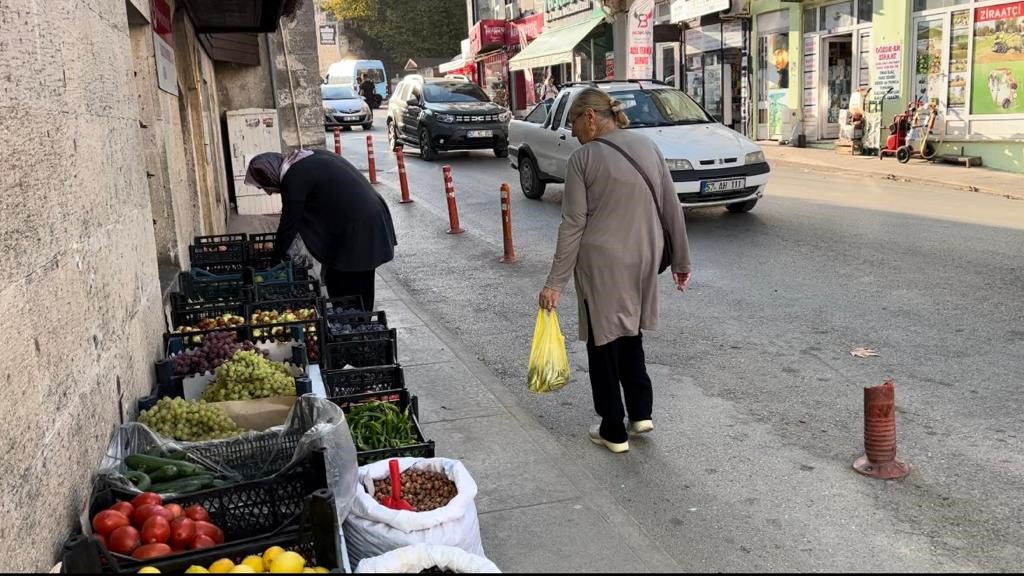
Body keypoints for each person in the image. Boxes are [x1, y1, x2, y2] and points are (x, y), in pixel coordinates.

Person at [537, 88, 692, 454]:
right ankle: (640, 413)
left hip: (603, 264)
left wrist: (554, 283)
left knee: (603, 342)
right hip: (644, 257)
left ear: (590, 117)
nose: (572, 130)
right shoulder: (647, 147)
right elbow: (672, 206)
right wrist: (681, 262)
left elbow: (573, 224)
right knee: (629, 332)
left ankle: (613, 429)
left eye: (573, 121)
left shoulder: (583, 158)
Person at [244, 149, 397, 311]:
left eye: (264, 186)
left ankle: (352, 323)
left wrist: (274, 262)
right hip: (370, 215)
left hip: (357, 226)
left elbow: (289, 224)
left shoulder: (293, 177)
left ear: (269, 176)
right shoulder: (306, 158)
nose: (268, 193)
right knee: (361, 279)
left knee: (343, 281)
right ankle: (362, 322)